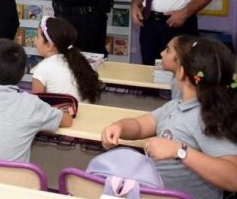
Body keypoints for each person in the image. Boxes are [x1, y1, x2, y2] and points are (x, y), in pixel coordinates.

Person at [101, 38, 237, 199]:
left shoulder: (207, 117)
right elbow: (141, 125)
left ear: (181, 72)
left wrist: (179, 151)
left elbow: (233, 177)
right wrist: (120, 127)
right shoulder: (175, 107)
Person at [0, 39, 72, 162]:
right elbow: (67, 121)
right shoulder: (31, 104)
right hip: (14, 180)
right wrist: (52, 110)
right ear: (23, 73)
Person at [31, 16, 102, 103]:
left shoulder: (42, 69)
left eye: (37, 37)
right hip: (84, 113)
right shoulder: (76, 61)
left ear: (49, 45)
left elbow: (36, 106)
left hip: (62, 115)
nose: (34, 41)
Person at [160, 34, 196, 102]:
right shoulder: (176, 79)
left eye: (168, 51)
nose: (161, 53)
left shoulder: (182, 85)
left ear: (181, 58)